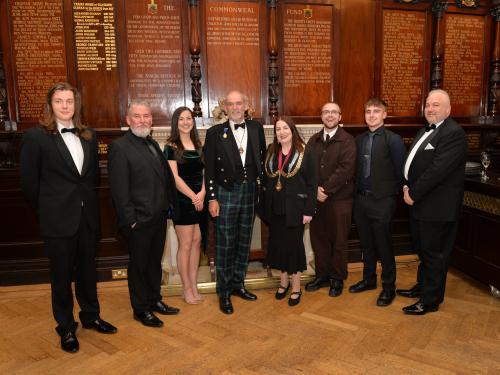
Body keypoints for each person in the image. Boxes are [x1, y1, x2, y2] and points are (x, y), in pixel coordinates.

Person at [20, 82, 117, 353]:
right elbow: (29, 184)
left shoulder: (89, 135)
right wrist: (49, 212)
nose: (65, 106)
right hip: (57, 220)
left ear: (76, 105)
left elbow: (92, 179)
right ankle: (65, 327)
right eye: (59, 101)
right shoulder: (36, 138)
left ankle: (91, 316)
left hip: (87, 218)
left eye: (69, 101)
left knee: (88, 272)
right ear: (50, 106)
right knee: (61, 277)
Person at [108, 99, 180, 328]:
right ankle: (140, 309)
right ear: (128, 120)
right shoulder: (120, 147)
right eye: (137, 116)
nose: (143, 120)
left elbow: (163, 178)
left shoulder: (151, 143)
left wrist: (168, 207)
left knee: (154, 264)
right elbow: (119, 189)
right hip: (138, 221)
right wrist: (130, 221)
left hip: (158, 218)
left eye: (146, 116)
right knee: (139, 266)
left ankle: (154, 299)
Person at [399, 89, 467, 315]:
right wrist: (406, 185)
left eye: (436, 105)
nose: (430, 109)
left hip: (437, 208)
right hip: (420, 204)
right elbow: (413, 164)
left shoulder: (453, 134)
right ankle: (422, 287)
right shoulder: (426, 130)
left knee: (435, 255)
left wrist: (413, 193)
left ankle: (429, 301)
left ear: (448, 109)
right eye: (428, 104)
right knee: (423, 251)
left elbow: (437, 171)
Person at [203, 90, 266, 314]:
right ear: (225, 108)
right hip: (226, 192)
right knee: (225, 243)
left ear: (245, 105)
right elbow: (209, 169)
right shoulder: (214, 133)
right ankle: (224, 291)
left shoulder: (257, 129)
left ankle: (239, 284)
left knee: (243, 241)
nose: (236, 107)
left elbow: (262, 160)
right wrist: (212, 197)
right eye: (231, 104)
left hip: (250, 191)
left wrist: (264, 193)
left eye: (239, 103)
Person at [349, 98, 406, 306]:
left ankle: (389, 287)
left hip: (383, 200)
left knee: (383, 245)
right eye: (368, 111)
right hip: (361, 199)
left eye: (376, 111)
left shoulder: (394, 140)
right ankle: (368, 279)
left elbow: (401, 171)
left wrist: (395, 197)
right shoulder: (359, 140)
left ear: (384, 114)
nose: (371, 115)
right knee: (367, 243)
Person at [264, 117, 318, 306]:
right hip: (275, 209)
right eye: (278, 129)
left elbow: (312, 184)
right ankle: (283, 283)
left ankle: (296, 288)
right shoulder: (272, 151)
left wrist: (309, 210)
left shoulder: (305, 152)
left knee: (294, 248)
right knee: (279, 246)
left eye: (285, 128)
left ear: (292, 130)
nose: (281, 132)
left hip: (296, 209)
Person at [306, 102, 356, 297]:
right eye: (326, 112)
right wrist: (315, 190)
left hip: (339, 200)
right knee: (319, 240)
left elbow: (346, 169)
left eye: (334, 112)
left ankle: (337, 278)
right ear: (321, 116)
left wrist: (325, 189)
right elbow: (308, 168)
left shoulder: (348, 141)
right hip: (317, 200)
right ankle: (322, 275)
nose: (329, 115)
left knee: (339, 241)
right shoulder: (313, 140)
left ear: (340, 116)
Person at [163, 107, 206, 305]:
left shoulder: (198, 144)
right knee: (186, 244)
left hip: (199, 200)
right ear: (176, 122)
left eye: (189, 118)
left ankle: (194, 285)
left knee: (197, 241)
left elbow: (206, 173)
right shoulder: (170, 146)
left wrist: (202, 194)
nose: (186, 122)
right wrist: (193, 197)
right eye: (182, 119)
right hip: (183, 200)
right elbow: (174, 178)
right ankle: (186, 288)